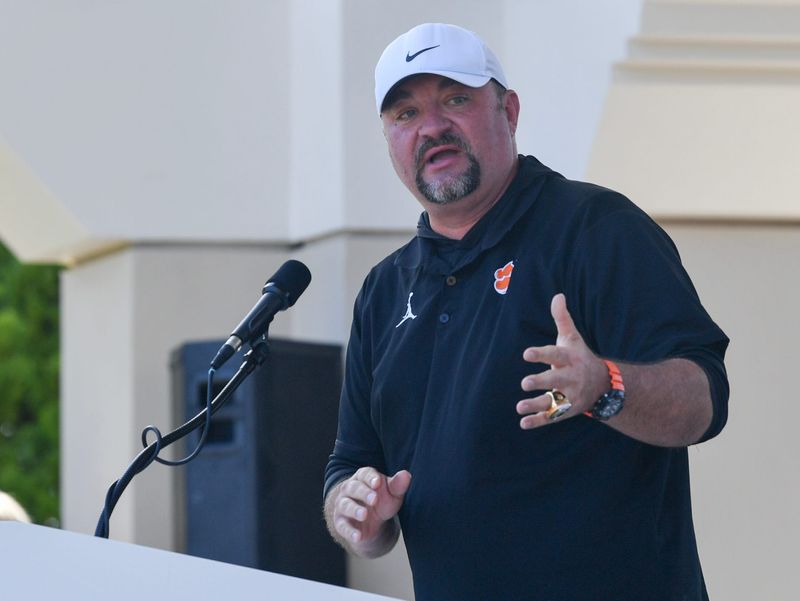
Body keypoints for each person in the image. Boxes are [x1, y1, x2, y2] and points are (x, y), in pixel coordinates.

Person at [324, 22, 729, 601]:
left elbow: (703, 401)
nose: (432, 126)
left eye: (456, 99)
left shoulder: (596, 229)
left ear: (508, 111)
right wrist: (355, 511)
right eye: (405, 114)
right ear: (388, 138)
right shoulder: (384, 291)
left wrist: (604, 386)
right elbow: (352, 463)